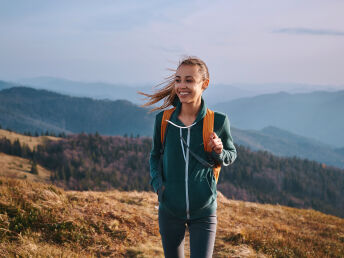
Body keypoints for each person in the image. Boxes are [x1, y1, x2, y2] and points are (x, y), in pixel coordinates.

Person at [140, 56, 237, 258]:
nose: (181, 86)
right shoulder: (164, 120)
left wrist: (219, 150)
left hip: (204, 212)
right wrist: (159, 186)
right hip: (169, 210)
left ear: (205, 84)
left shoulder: (218, 121)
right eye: (178, 80)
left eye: (189, 80)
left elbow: (230, 155)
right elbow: (155, 156)